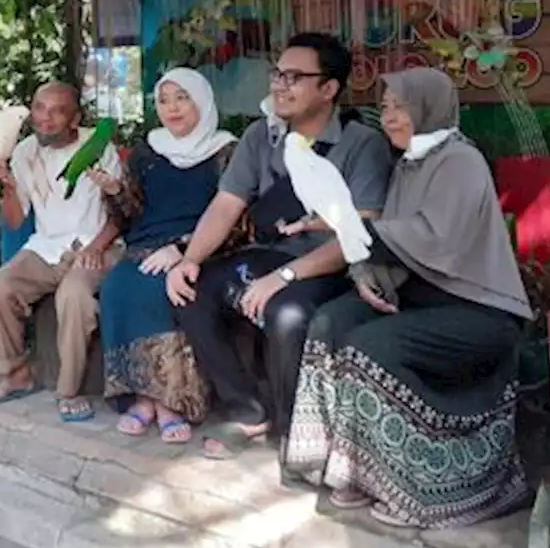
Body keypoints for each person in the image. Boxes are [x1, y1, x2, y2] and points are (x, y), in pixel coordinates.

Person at [284, 67, 531, 528]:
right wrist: (363, 274)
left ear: (429, 108)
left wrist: (352, 227)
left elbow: (435, 239)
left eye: (401, 106)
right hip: (423, 299)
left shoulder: (460, 161)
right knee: (330, 322)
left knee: (370, 349)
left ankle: (417, 488)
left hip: (478, 311)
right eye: (386, 106)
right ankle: (342, 464)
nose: (390, 116)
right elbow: (389, 247)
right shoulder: (410, 163)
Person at [165, 32, 395, 459]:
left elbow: (361, 234)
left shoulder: (362, 146)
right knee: (189, 292)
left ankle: (295, 433)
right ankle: (248, 410)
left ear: (328, 89)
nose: (279, 85)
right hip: (270, 255)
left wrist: (284, 277)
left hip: (331, 266)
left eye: (295, 77)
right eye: (277, 74)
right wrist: (189, 260)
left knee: (287, 314)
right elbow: (226, 203)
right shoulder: (260, 137)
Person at [96, 68, 236, 443]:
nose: (172, 108)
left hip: (199, 248)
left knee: (162, 289)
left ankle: (172, 403)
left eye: (182, 98)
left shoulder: (226, 151)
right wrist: (114, 189)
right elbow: (129, 213)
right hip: (144, 246)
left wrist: (186, 249)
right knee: (118, 286)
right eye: (163, 100)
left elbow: (239, 216)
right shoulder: (147, 151)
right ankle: (142, 398)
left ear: (202, 101)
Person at [0, 81, 122, 422]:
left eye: (57, 111)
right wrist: (9, 188)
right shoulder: (25, 151)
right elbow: (15, 220)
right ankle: (15, 374)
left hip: (96, 243)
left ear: (76, 118)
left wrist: (96, 248)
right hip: (46, 246)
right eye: (40, 108)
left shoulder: (99, 146)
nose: (45, 118)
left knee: (74, 296)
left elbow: (121, 212)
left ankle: (68, 390)